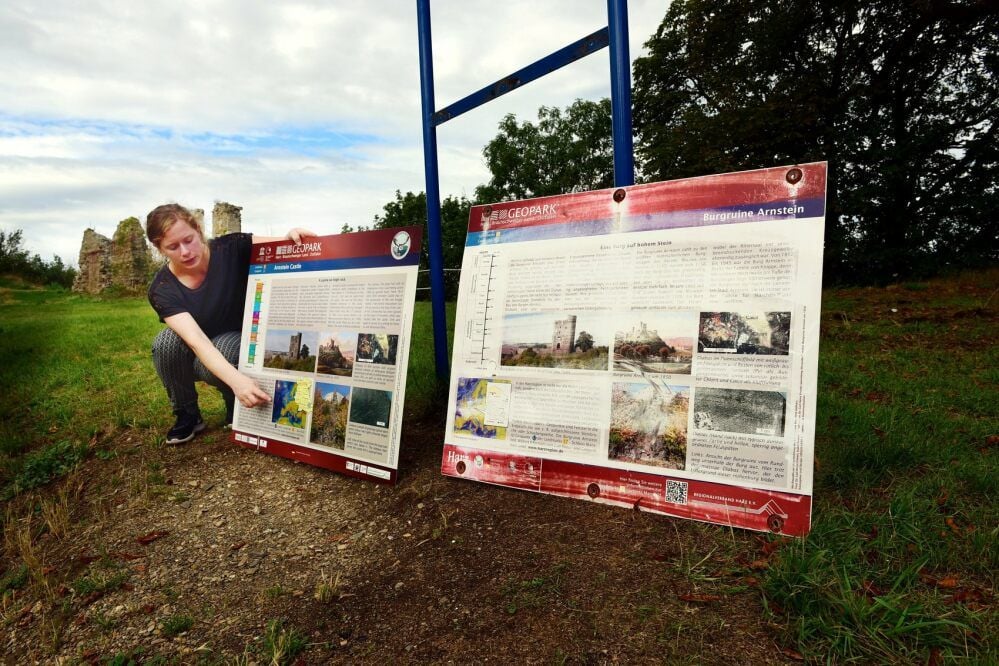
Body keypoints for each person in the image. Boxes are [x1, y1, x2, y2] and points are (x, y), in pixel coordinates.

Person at [146, 203, 315, 444]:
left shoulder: (232, 247)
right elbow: (197, 342)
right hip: (201, 341)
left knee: (224, 347)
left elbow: (284, 246)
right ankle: (187, 415)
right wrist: (238, 382)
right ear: (160, 248)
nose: (185, 252)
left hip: (239, 336)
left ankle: (232, 401)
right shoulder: (162, 289)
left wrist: (291, 236)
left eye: (189, 240)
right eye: (173, 247)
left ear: (198, 230)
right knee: (164, 343)